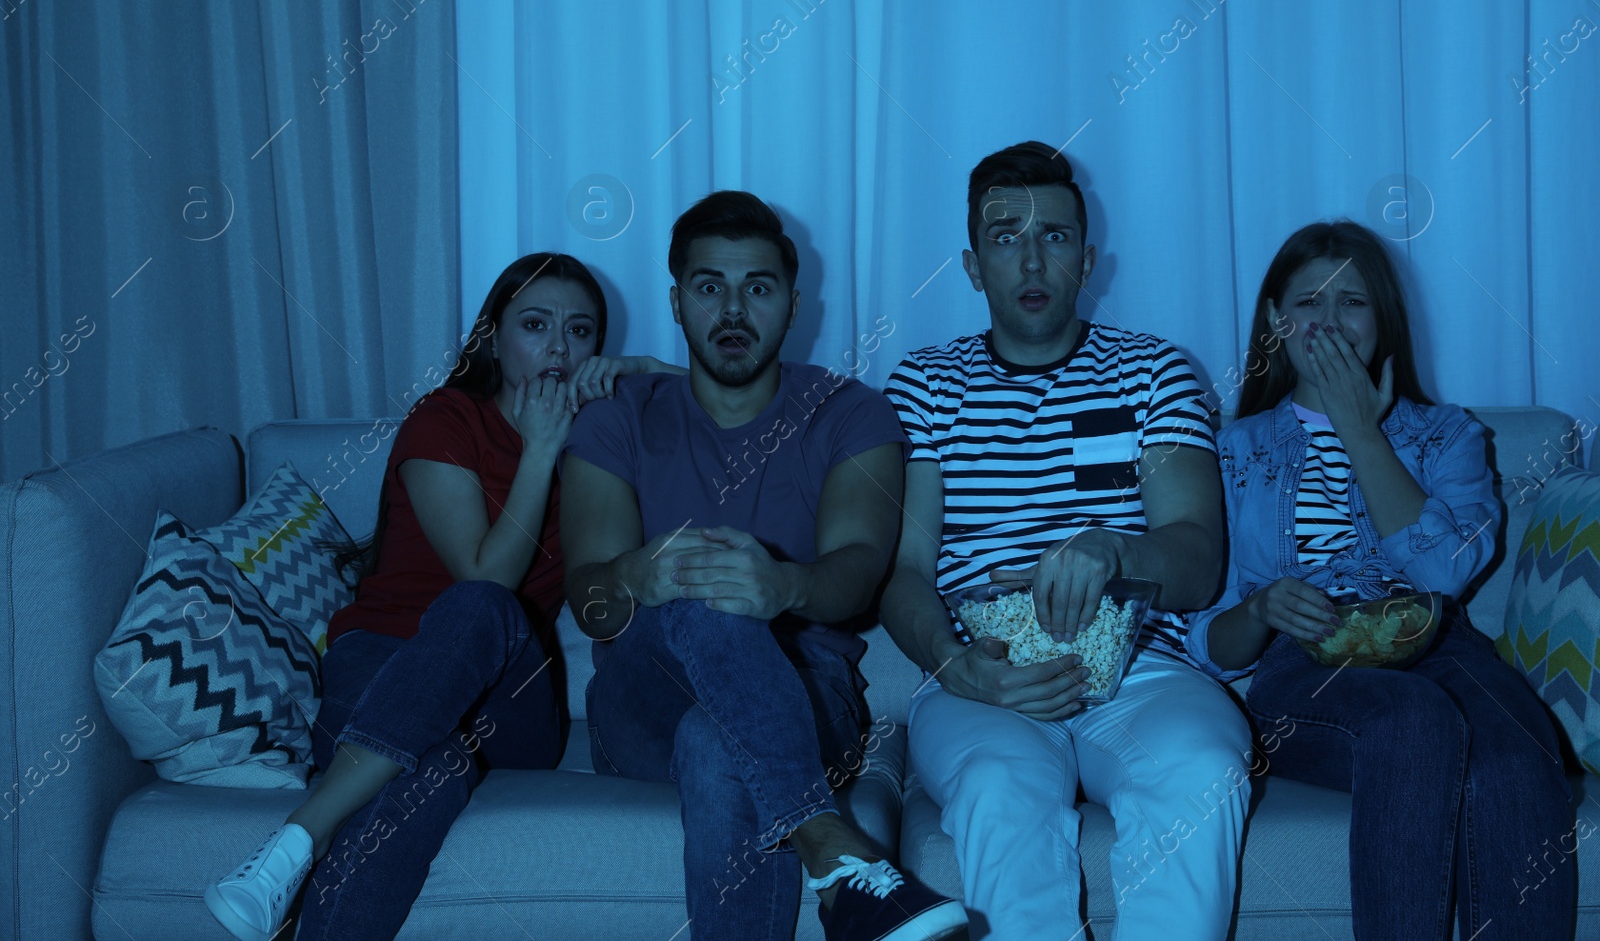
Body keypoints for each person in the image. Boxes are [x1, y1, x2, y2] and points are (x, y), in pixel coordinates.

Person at [205, 252, 683, 941]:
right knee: (431, 768)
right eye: (535, 324)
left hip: (508, 699)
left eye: (580, 331)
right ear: (492, 335)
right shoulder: (445, 419)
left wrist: (638, 371)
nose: (557, 346)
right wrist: (541, 450)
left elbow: (729, 394)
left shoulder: (595, 436)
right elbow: (480, 567)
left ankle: (298, 836)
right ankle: (281, 882)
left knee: (485, 608)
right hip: (380, 664)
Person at [560, 190, 966, 941]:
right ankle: (832, 849)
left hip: (811, 700)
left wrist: (784, 585)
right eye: (711, 287)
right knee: (694, 582)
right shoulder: (616, 417)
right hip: (639, 702)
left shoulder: (851, 412)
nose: (735, 309)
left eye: (759, 287)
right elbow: (588, 602)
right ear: (678, 302)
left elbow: (859, 573)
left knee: (717, 743)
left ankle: (833, 865)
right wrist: (631, 577)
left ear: (793, 302)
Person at [880, 141, 1252, 940]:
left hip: (1142, 673)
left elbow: (1198, 560)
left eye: (1053, 235)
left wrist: (1115, 549)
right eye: (1006, 235)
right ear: (974, 264)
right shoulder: (926, 384)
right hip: (986, 677)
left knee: (1206, 772)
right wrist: (957, 666)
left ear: (1086, 259)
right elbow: (904, 573)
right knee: (997, 789)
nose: (1031, 256)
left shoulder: (1154, 372)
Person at [1186, 220, 1575, 940]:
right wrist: (1266, 605)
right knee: (1413, 718)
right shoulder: (1230, 450)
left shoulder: (1447, 434)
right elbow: (1206, 641)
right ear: (1276, 319)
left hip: (1442, 645)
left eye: (1353, 302)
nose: (1330, 321)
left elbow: (1446, 573)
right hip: (1301, 662)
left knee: (1520, 746)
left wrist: (1362, 431)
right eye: (1308, 301)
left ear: (1382, 318)